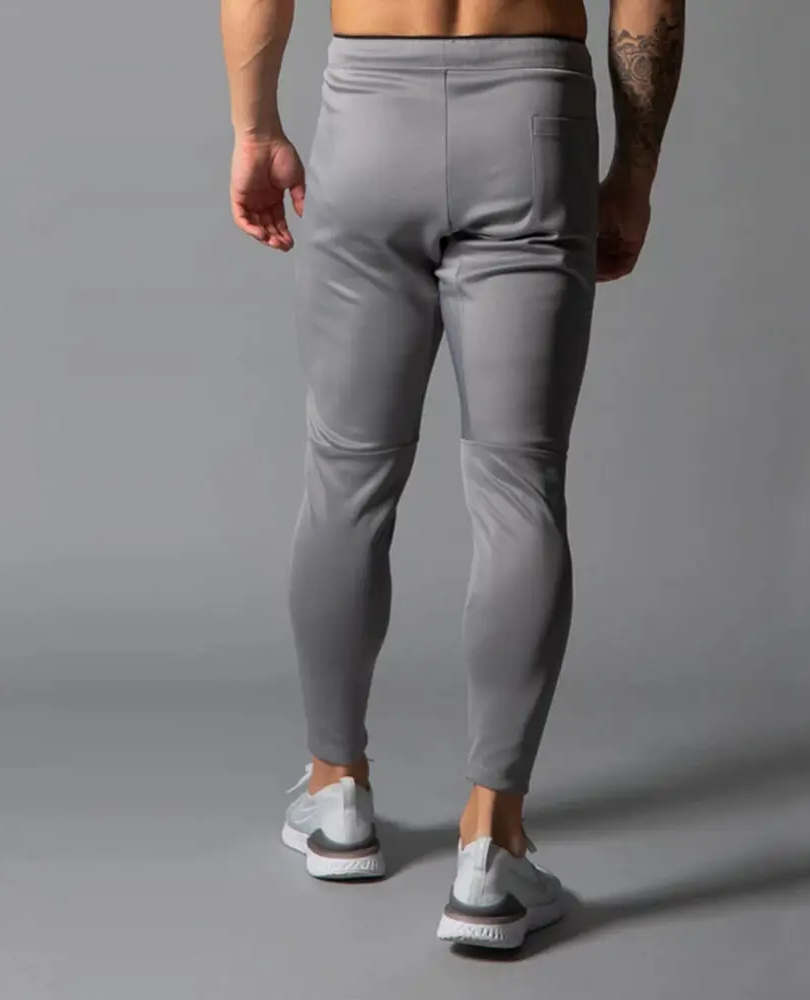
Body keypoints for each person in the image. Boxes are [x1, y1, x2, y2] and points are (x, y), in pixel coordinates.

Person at [220, 0, 685, 949]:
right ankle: (492, 852)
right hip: (532, 115)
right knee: (520, 490)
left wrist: (255, 128)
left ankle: (336, 793)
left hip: (369, 111)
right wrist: (634, 172)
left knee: (346, 477)